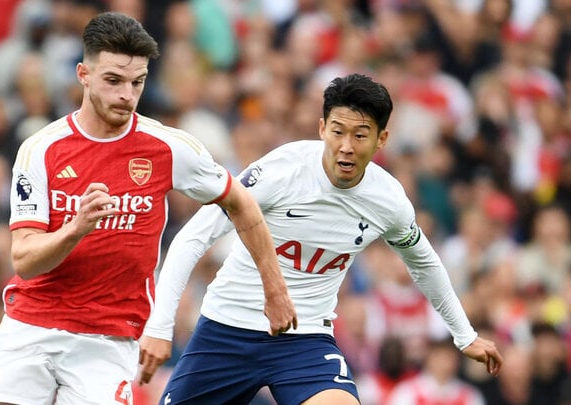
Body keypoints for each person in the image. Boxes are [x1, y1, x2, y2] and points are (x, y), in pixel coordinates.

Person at [0, 11, 297, 405]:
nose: (127, 94)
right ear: (83, 75)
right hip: (31, 325)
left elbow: (241, 202)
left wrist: (275, 287)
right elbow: (24, 259)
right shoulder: (41, 149)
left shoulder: (168, 147)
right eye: (113, 80)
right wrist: (76, 228)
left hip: (107, 340)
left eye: (137, 82)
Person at [139, 73, 503, 404]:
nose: (346, 146)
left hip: (305, 339)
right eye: (337, 131)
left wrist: (464, 334)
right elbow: (192, 238)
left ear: (381, 139)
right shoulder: (280, 172)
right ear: (321, 128)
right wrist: (159, 326)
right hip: (226, 330)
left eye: (360, 135)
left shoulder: (388, 200)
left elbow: (424, 262)